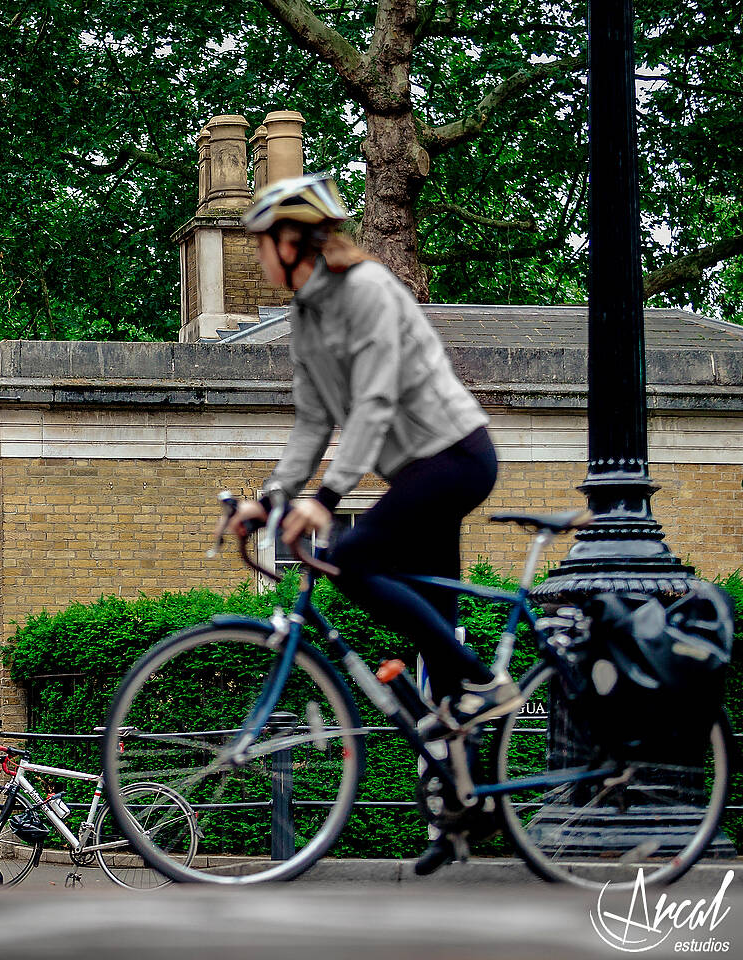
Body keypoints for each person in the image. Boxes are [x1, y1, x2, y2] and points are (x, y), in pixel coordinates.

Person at [227, 173, 515, 874]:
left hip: (455, 457)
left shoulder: (369, 291)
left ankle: (483, 683)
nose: (257, 255)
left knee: (350, 558)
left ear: (294, 242)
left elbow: (376, 402)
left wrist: (326, 497)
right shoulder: (307, 318)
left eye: (262, 242)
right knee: (438, 647)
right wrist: (271, 497)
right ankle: (462, 809)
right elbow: (312, 422)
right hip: (415, 473)